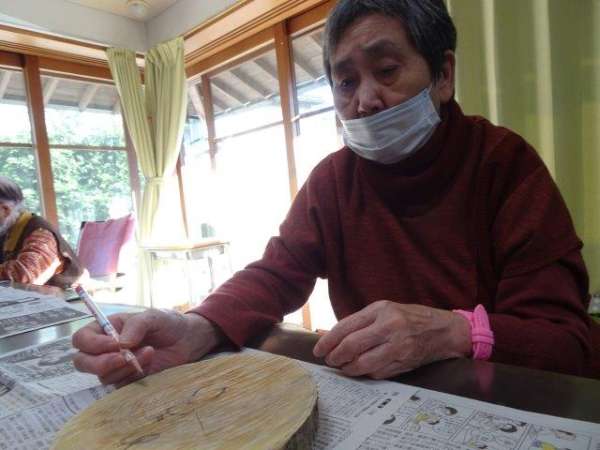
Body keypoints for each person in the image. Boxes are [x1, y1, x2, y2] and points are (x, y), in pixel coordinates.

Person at [72, 0, 594, 387]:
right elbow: (278, 273)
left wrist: (454, 333)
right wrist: (195, 326)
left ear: (443, 75)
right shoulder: (335, 179)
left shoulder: (504, 163)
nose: (365, 100)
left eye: (386, 71)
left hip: (496, 395)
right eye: (345, 83)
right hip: (378, 393)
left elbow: (568, 343)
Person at [0, 176, 83, 288]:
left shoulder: (40, 234)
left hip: (67, 297)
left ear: (5, 209)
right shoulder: (7, 229)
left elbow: (25, 276)